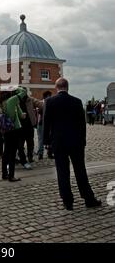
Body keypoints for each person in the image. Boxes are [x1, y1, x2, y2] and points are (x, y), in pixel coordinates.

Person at [43, 77, 102, 210]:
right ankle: (88, 198)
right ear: (67, 87)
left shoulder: (50, 102)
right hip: (76, 142)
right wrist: (83, 141)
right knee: (80, 170)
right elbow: (82, 124)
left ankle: (67, 201)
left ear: (56, 88)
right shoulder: (77, 101)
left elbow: (46, 124)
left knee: (62, 172)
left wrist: (47, 142)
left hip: (58, 142)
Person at [36, 90, 52, 160]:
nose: (50, 97)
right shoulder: (43, 103)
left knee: (42, 139)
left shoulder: (41, 102)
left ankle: (44, 153)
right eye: (49, 95)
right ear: (47, 96)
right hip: (42, 122)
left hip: (43, 122)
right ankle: (44, 153)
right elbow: (39, 111)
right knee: (43, 138)